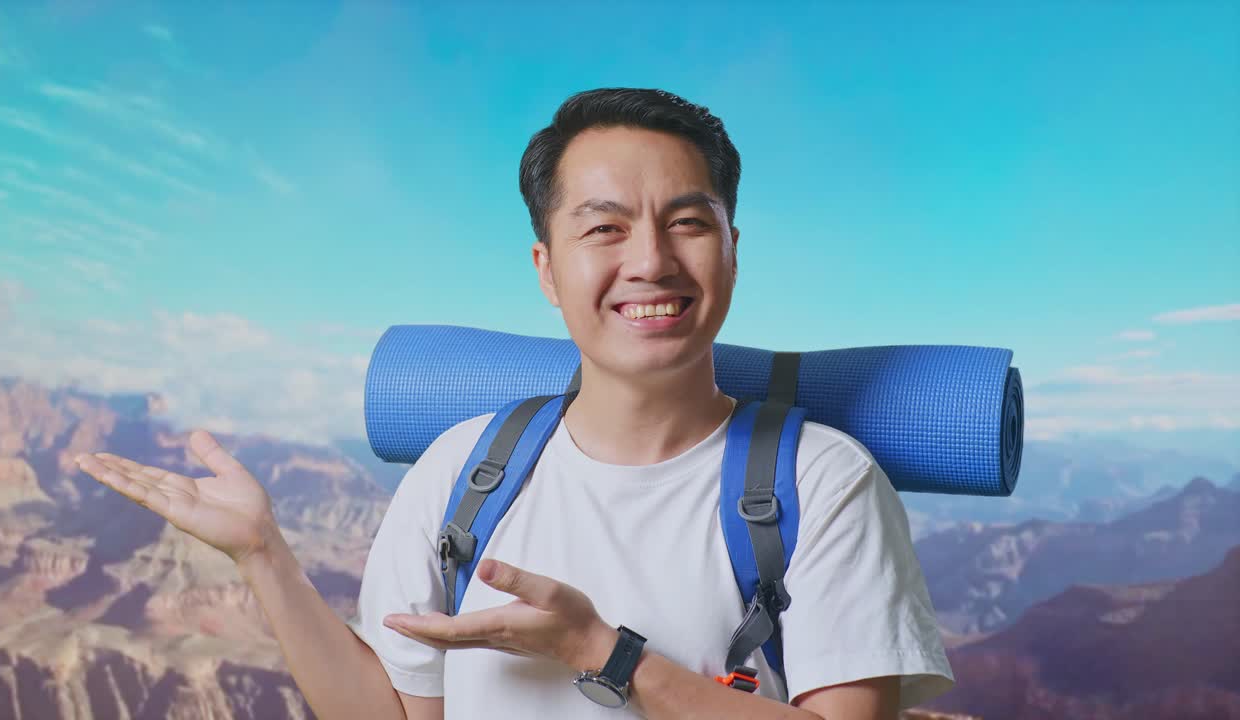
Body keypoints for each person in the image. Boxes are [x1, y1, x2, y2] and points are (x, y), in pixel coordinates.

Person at [76, 87, 954, 719]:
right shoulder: (464, 469)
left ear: (731, 249)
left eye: (688, 221)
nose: (650, 259)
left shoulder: (823, 482)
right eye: (604, 228)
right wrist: (263, 555)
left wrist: (604, 655)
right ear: (546, 268)